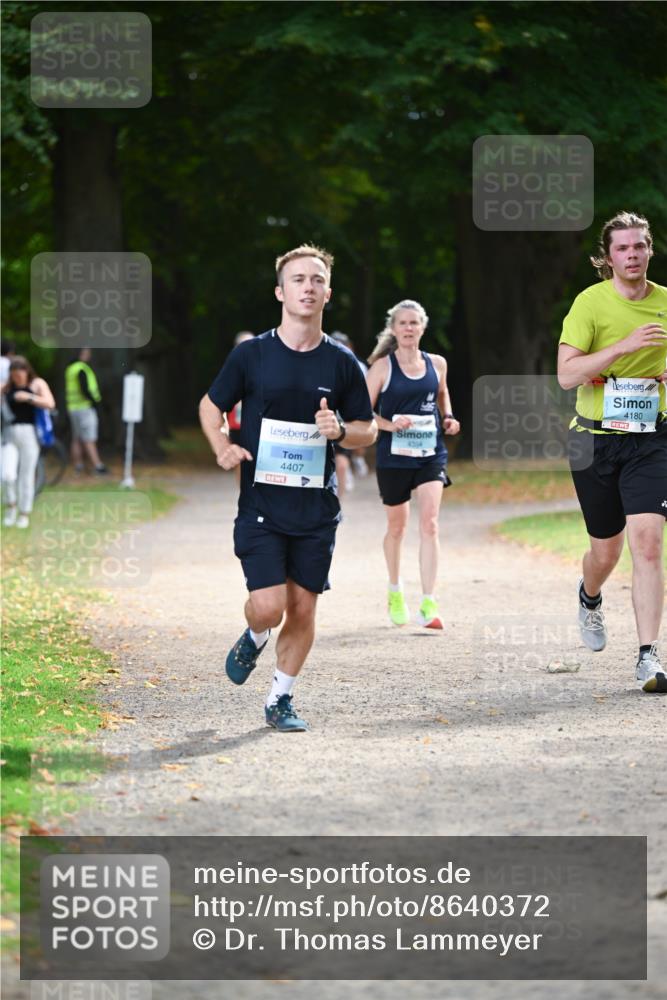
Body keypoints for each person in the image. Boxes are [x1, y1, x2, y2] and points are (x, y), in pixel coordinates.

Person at [199, 245, 376, 731]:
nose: (308, 287)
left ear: (328, 293)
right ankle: (255, 633)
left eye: (317, 280)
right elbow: (210, 407)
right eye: (298, 279)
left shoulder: (342, 364)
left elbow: (368, 428)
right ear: (281, 291)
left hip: (316, 507)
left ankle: (281, 698)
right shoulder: (252, 355)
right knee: (269, 606)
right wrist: (222, 447)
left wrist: (340, 430)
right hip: (261, 502)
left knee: (302, 607)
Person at [557, 211, 667, 694]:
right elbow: (567, 374)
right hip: (594, 440)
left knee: (648, 541)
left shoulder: (666, 302)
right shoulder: (590, 303)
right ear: (608, 257)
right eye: (623, 248)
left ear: (649, 250)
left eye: (640, 246)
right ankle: (590, 595)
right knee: (606, 550)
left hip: (651, 438)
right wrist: (623, 348)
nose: (633, 255)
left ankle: (648, 656)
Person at [366, 299, 460, 629]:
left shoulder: (437, 363)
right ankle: (395, 591)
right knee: (397, 527)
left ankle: (429, 603)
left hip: (430, 453)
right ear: (393, 329)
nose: (408, 328)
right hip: (393, 457)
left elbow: (442, 395)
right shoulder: (382, 368)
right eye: (402, 323)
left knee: (430, 523)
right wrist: (390, 425)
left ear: (422, 327)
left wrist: (448, 418)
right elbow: (362, 413)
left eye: (414, 323)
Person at [1, 356, 55, 528]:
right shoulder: (6, 386)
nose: (17, 379)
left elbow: (50, 403)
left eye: (20, 375)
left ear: (26, 372)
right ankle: (11, 506)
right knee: (7, 474)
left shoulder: (37, 384)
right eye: (14, 376)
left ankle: (24, 513)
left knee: (27, 475)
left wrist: (29, 397)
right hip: (9, 434)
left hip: (30, 433)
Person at [64, 348, 108, 475]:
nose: (89, 355)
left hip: (73, 407)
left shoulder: (70, 368)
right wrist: (95, 402)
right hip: (85, 407)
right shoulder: (81, 368)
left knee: (76, 438)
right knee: (89, 437)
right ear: (82, 354)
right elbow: (84, 388)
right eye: (87, 353)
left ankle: (78, 466)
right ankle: (97, 466)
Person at [226, 331, 255, 485]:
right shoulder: (232, 366)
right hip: (236, 423)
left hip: (255, 422)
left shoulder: (262, 365)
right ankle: (242, 491)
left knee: (254, 458)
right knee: (238, 459)